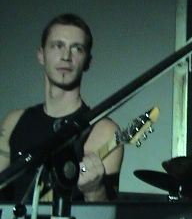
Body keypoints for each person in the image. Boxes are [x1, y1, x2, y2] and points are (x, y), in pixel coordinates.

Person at [0, 14, 123, 202]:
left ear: (87, 61)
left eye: (77, 48)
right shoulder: (13, 121)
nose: (66, 57)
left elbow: (106, 217)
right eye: (57, 46)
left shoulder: (104, 131)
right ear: (41, 55)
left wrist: (94, 191)